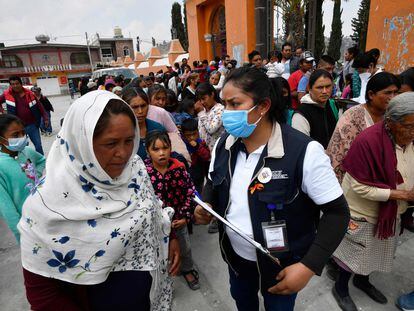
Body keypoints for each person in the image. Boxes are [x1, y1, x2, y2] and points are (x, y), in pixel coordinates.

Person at [194, 67, 349, 311]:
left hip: (282, 267)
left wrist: (309, 266)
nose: (226, 114)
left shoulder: (304, 152)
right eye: (225, 104)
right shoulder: (225, 144)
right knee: (243, 301)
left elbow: (338, 213)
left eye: (235, 104)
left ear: (263, 106)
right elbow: (214, 181)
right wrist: (207, 203)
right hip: (236, 259)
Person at [18, 91, 180, 310]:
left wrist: (171, 237)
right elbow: (43, 294)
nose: (123, 153)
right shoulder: (45, 205)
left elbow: (151, 208)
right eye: (111, 143)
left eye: (129, 140)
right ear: (81, 142)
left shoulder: (136, 170)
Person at [332, 92, 414, 311]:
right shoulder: (368, 141)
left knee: (375, 251)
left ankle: (362, 281)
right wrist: (403, 195)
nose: (413, 132)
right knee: (353, 254)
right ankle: (340, 289)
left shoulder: (410, 138)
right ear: (391, 122)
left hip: (391, 212)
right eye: (409, 126)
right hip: (363, 211)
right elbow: (359, 187)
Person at [144, 130, 200, 290]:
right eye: (156, 149)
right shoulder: (144, 172)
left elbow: (190, 192)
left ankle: (187, 270)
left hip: (178, 221)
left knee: (185, 248)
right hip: (155, 224)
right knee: (157, 251)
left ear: (170, 148)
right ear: (148, 151)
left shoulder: (179, 168)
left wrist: (185, 217)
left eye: (165, 148)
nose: (161, 153)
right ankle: (161, 278)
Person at [327, 72, 400, 183]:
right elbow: (345, 155)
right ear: (371, 95)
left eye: (396, 93)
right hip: (355, 180)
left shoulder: (394, 116)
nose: (393, 97)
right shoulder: (353, 117)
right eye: (388, 93)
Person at [0, 114, 45, 241]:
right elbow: (7, 209)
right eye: (15, 135)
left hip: (42, 212)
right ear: (1, 140)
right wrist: (21, 234)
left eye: (23, 133)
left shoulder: (27, 152)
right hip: (24, 224)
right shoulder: (1, 167)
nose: (21, 137)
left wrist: (38, 173)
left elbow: (41, 160)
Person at [122, 88, 190, 163]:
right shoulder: (121, 133)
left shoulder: (157, 128)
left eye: (143, 106)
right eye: (135, 107)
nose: (140, 111)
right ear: (126, 108)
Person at [0, 76, 49, 155]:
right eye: (12, 84)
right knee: (22, 147)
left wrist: (46, 118)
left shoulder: (30, 94)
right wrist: (2, 112)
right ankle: (25, 162)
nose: (15, 86)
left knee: (38, 145)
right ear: (10, 85)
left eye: (17, 83)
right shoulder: (6, 94)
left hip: (33, 125)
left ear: (21, 84)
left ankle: (40, 159)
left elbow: (40, 106)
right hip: (17, 127)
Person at [292, 69, 340, 148]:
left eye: (328, 86)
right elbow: (301, 146)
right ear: (309, 88)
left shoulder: (333, 105)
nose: (324, 91)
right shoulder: (301, 114)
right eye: (319, 87)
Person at [180, 118, 211, 193]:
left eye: (194, 134)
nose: (192, 137)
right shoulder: (181, 143)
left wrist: (197, 147)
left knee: (198, 191)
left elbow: (206, 156)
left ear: (198, 132)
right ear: (183, 135)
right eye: (188, 135)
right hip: (186, 173)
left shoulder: (201, 142)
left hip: (198, 174)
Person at [194, 82, 225, 152]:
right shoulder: (204, 110)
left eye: (204, 98)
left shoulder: (220, 109)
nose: (202, 102)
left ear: (212, 94)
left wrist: (201, 113)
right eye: (200, 100)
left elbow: (211, 129)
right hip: (204, 152)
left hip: (216, 151)